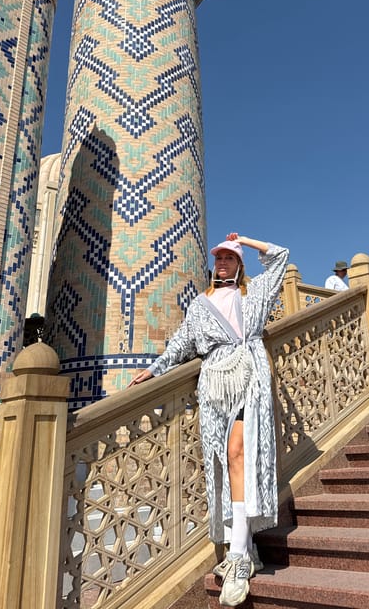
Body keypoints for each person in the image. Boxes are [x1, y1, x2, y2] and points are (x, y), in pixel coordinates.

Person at [128, 233, 289, 607]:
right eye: (219, 258)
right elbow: (182, 343)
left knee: (238, 454)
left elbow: (280, 256)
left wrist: (245, 240)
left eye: (230, 258)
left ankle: (235, 561)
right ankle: (246, 548)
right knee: (222, 464)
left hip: (248, 377)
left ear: (240, 264)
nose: (223, 263)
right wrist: (154, 369)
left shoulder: (253, 296)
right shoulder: (201, 305)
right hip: (215, 383)